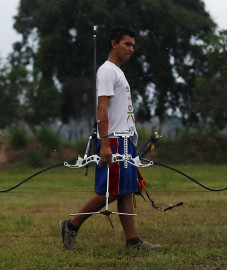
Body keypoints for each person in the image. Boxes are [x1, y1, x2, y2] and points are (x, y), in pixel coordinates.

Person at [59, 27, 159, 250]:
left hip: (125, 140)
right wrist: (104, 144)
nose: (131, 49)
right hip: (113, 140)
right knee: (112, 191)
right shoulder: (107, 71)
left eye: (133, 45)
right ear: (114, 43)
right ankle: (71, 225)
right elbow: (101, 107)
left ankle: (132, 240)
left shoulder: (118, 72)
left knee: (127, 188)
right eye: (127, 44)